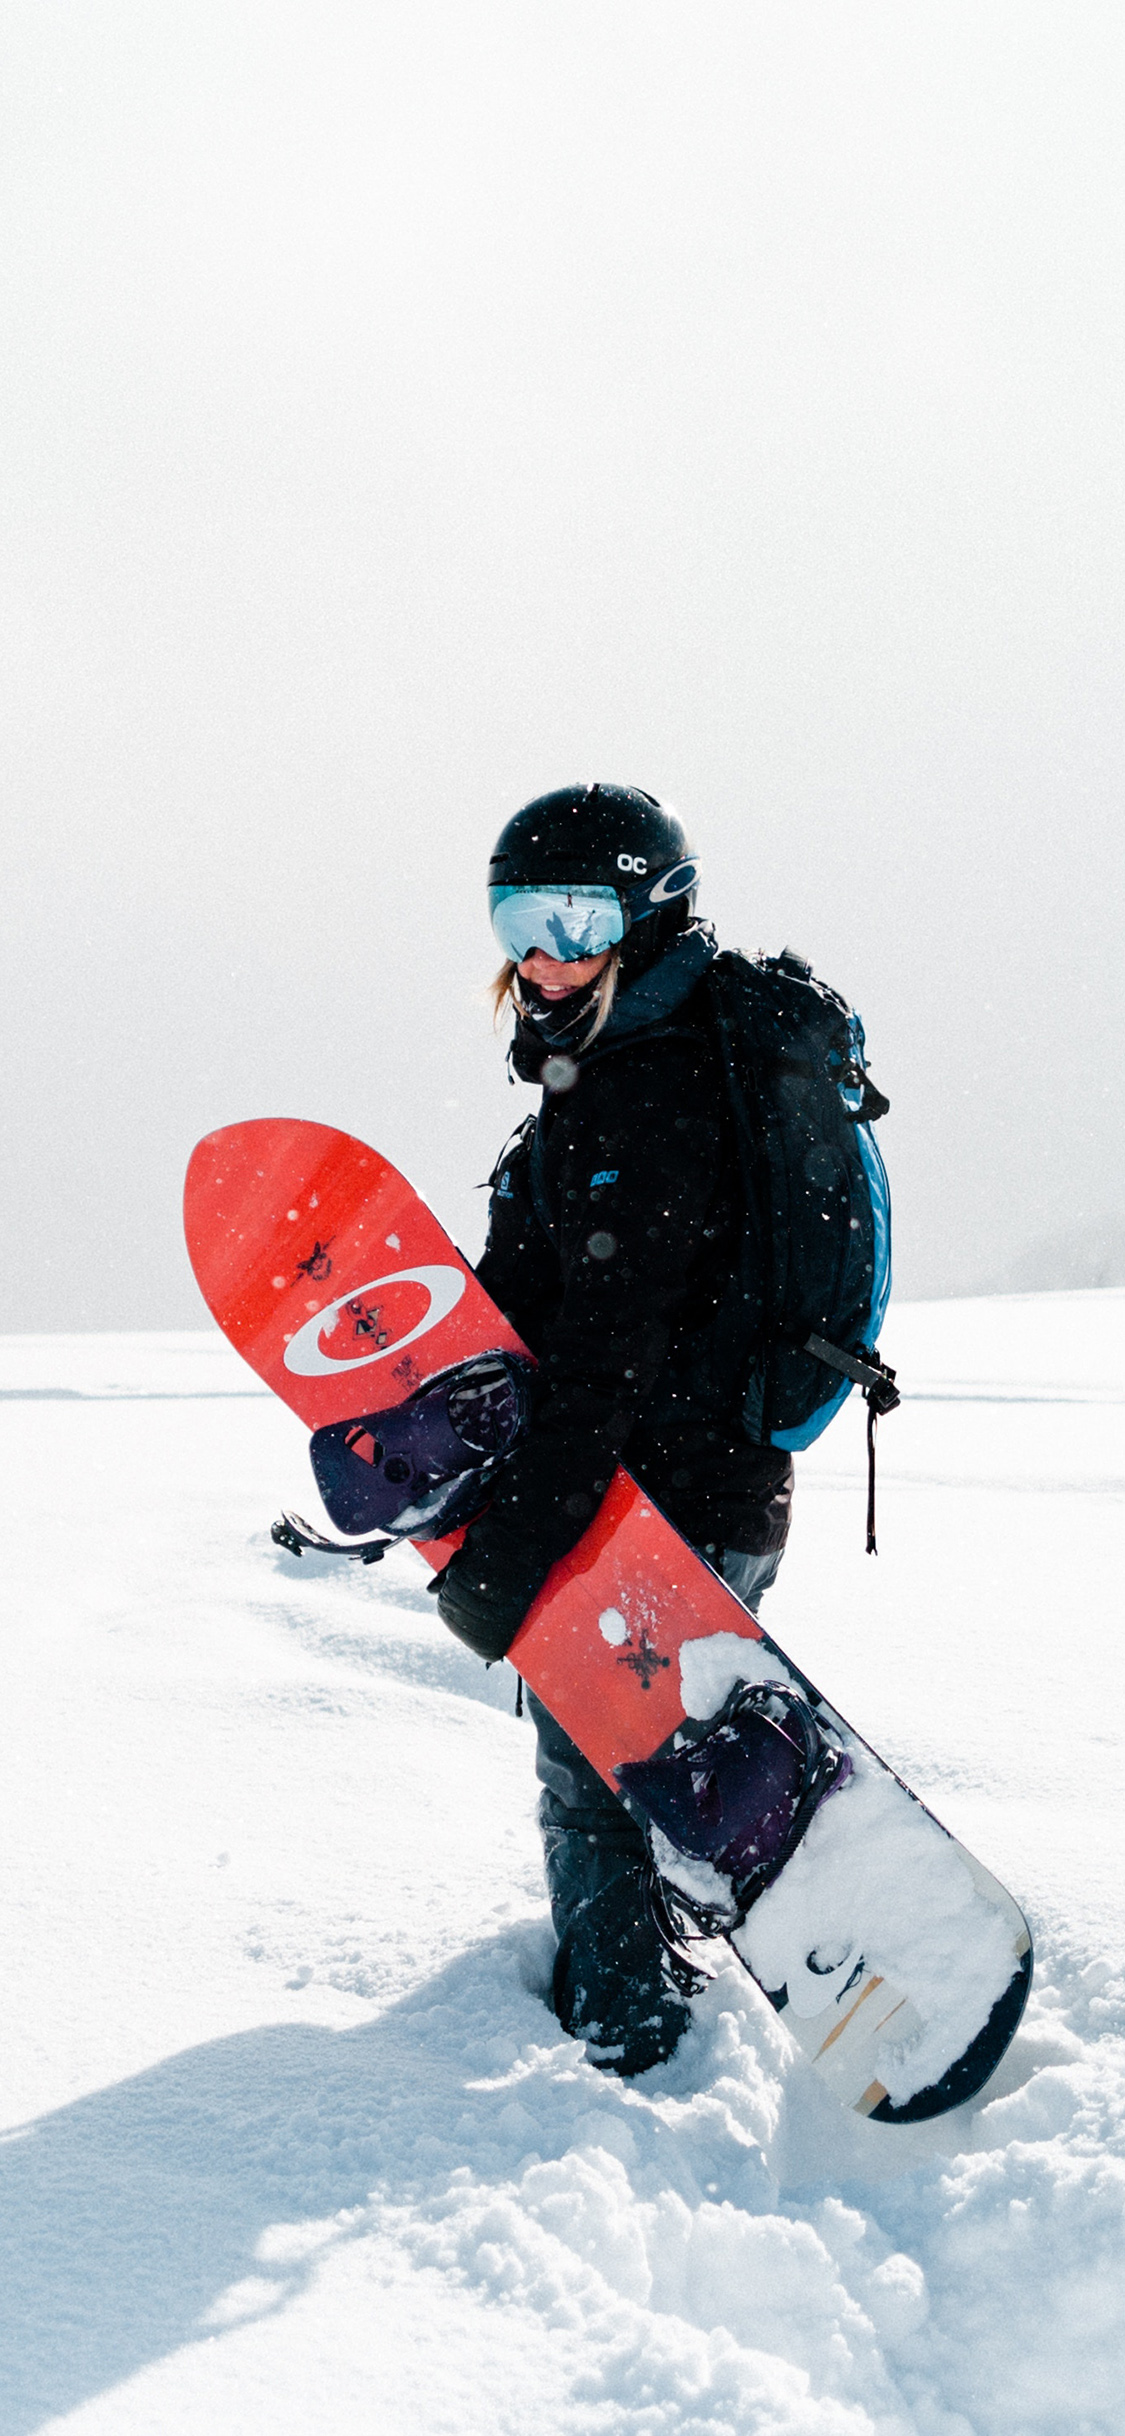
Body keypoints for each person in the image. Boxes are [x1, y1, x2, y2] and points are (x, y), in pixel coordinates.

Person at [434, 782, 793, 2076]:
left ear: (649, 919)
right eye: (516, 919)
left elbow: (607, 1360)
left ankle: (626, 2043)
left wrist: (513, 1547)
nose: (542, 954)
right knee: (642, 1764)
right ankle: (660, 1966)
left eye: (576, 920)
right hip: (696, 1490)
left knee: (590, 1785)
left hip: (654, 1507)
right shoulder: (629, 1062)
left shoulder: (652, 1092)